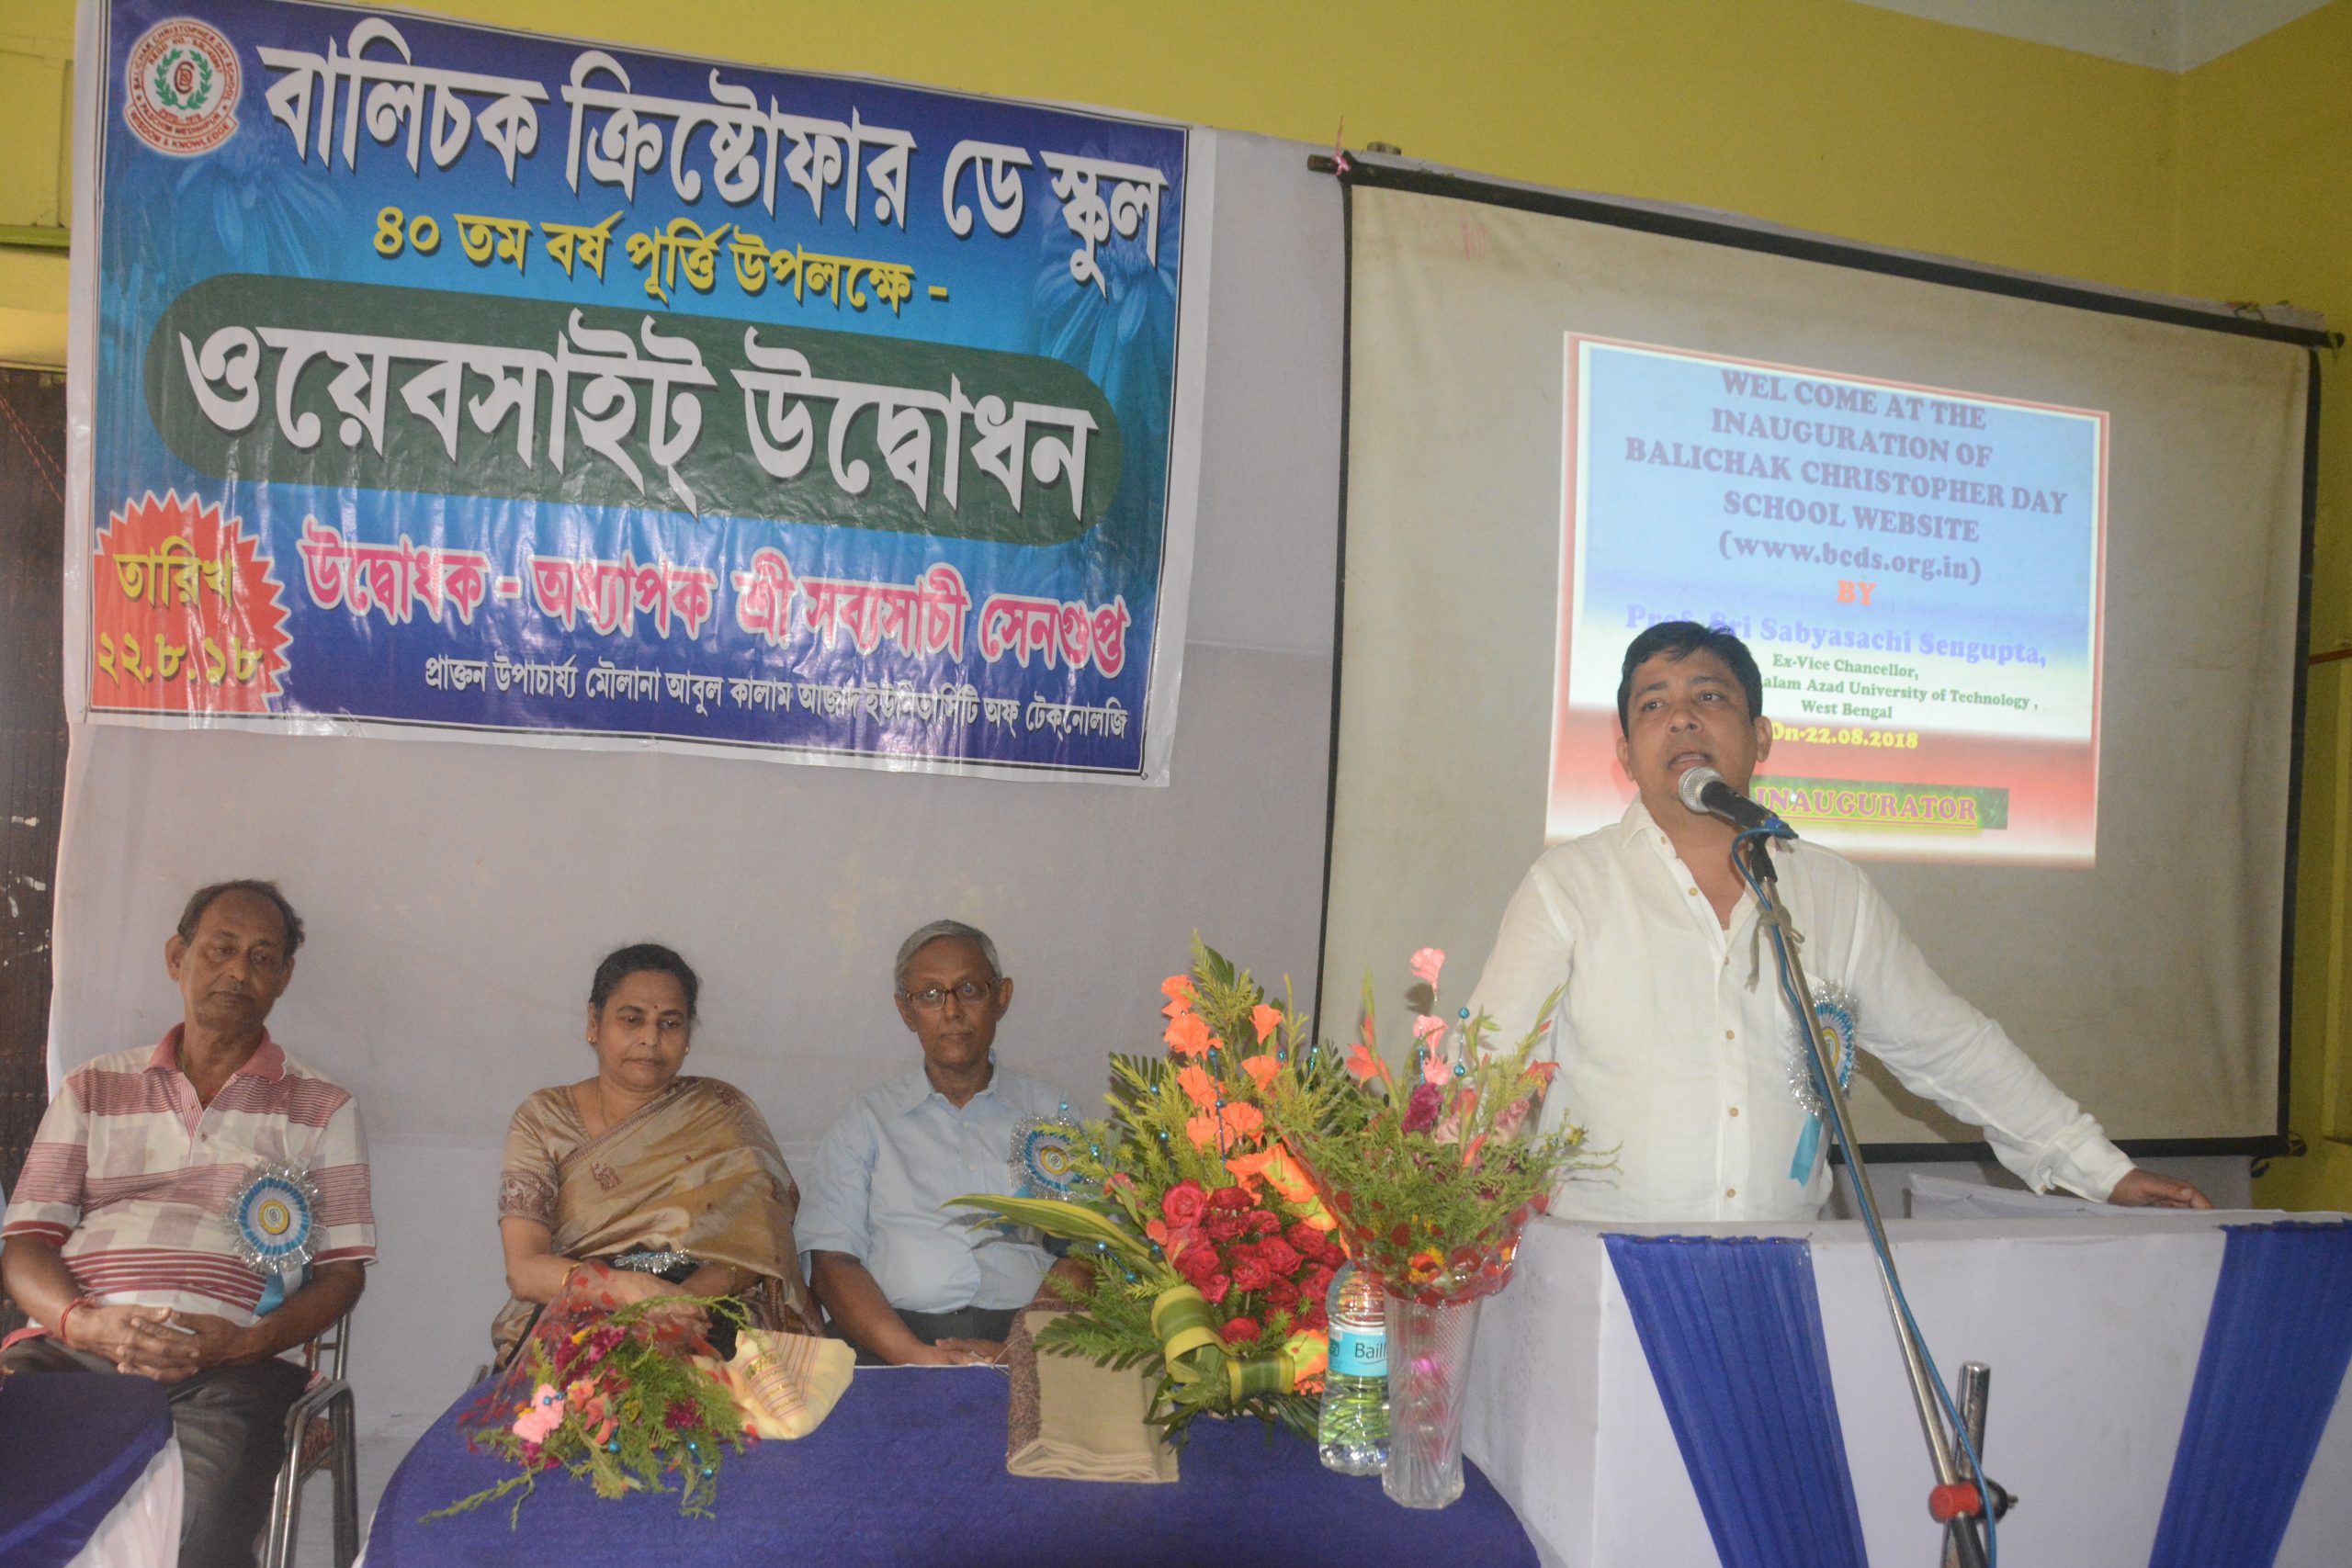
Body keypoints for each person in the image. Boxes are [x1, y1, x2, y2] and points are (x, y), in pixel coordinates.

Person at [1467, 620, 2212, 1222]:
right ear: (1626, 754)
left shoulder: (1827, 891)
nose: (1684, 717)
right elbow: (1483, 1079)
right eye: (1653, 705)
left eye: (1710, 697)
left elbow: (1950, 1047)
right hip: (1603, 1283)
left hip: (1786, 1275)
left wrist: (2101, 1169)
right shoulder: (1569, 887)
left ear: (1761, 737)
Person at [0, 879, 375, 1568]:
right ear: (178, 956)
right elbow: (26, 1245)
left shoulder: (325, 1107)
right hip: (73, 1350)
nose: (239, 971)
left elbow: (343, 1275)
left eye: (262, 957)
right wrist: (84, 1323)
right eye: (220, 949)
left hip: (233, 1370)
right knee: (17, 1496)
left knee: (201, 1529)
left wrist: (247, 1342)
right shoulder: (92, 1086)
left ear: (284, 978)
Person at [492, 942, 819, 1366]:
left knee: (708, 1389)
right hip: (584, 1303)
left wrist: (678, 1304)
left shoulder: (721, 1111)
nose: (650, 1038)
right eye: (632, 1020)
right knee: (582, 1393)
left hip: (704, 1304)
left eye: (670, 1023)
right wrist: (626, 1292)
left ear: (687, 1036)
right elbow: (524, 1269)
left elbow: (758, 1247)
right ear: (594, 1022)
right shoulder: (543, 1118)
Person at [800, 919, 1082, 1365]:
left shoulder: (1050, 1113)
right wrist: (913, 1355)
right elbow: (831, 1262)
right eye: (930, 995)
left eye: (969, 989)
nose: (952, 1011)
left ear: (1001, 997)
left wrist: (1022, 1349)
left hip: (1035, 1336)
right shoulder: (866, 1122)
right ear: (905, 1010)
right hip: (893, 1341)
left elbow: (1087, 1250)